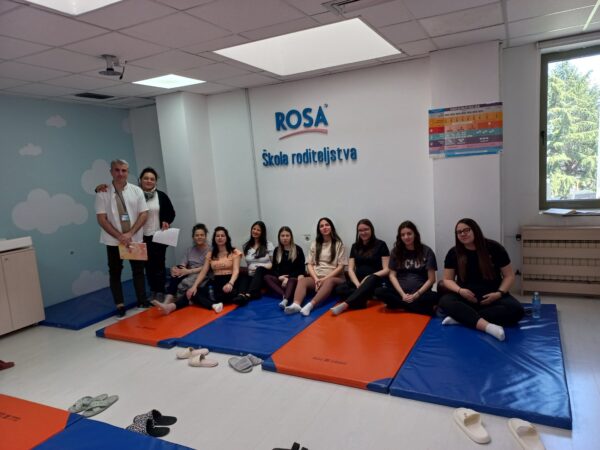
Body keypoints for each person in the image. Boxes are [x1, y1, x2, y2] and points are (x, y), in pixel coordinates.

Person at [96, 167, 175, 303]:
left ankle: (160, 291)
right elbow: (114, 196)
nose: (149, 181)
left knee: (159, 265)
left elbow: (171, 212)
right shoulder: (131, 194)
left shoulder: (161, 196)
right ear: (140, 180)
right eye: (146, 178)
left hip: (158, 235)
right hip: (139, 237)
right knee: (146, 266)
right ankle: (152, 290)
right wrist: (100, 188)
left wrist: (166, 220)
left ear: (156, 181)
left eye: (152, 179)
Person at [438, 218, 524, 341]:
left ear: (475, 230)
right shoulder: (453, 252)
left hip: (492, 295)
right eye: (459, 232)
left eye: (466, 230)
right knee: (444, 301)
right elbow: (447, 279)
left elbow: (509, 275)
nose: (463, 234)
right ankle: (488, 327)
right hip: (466, 296)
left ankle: (461, 318)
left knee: (517, 310)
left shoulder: (495, 248)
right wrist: (460, 291)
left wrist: (499, 293)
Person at [95, 159, 148, 317]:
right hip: (113, 241)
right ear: (111, 172)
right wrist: (119, 236)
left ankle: (142, 300)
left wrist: (130, 234)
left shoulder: (136, 191)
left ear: (128, 172)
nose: (120, 173)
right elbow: (102, 219)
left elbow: (144, 214)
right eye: (117, 170)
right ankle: (120, 305)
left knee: (138, 270)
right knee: (115, 272)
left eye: (123, 170)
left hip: (134, 238)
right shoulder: (102, 193)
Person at [153, 226, 242, 314]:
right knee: (192, 292)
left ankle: (212, 304)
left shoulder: (234, 252)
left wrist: (230, 283)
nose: (220, 238)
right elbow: (204, 271)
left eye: (222, 236)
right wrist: (194, 286)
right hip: (217, 283)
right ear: (214, 238)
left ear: (227, 238)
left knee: (223, 295)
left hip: (230, 283)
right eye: (217, 236)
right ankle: (170, 307)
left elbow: (236, 271)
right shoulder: (211, 254)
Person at [374, 221, 438, 316]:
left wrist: (416, 295)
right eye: (403, 235)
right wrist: (403, 295)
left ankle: (400, 305)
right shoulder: (396, 251)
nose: (406, 237)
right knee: (379, 291)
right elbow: (392, 276)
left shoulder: (427, 251)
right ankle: (416, 308)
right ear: (400, 237)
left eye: (409, 234)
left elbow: (432, 279)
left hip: (420, 293)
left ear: (415, 234)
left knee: (436, 297)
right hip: (400, 293)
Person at [285, 217, 346, 316]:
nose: (324, 227)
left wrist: (324, 279)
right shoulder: (315, 244)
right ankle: (296, 304)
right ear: (319, 229)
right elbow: (309, 264)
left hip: (335, 278)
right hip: (317, 278)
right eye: (321, 226)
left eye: (327, 225)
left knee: (329, 281)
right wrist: (316, 278)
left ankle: (310, 305)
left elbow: (340, 267)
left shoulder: (339, 244)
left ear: (331, 227)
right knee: (302, 280)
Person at [330, 219, 389, 315]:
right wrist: (357, 284)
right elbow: (350, 269)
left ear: (371, 230)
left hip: (374, 280)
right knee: (339, 289)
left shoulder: (381, 244)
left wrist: (369, 277)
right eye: (360, 230)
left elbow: (386, 269)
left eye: (366, 229)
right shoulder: (355, 246)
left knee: (372, 279)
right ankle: (361, 299)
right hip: (358, 280)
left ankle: (345, 304)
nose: (363, 232)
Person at [162, 223, 210, 304]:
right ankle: (169, 298)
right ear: (193, 237)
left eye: (202, 235)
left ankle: (177, 299)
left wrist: (188, 271)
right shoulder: (189, 250)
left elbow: (207, 267)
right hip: (189, 271)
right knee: (178, 268)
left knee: (185, 277)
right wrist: (175, 269)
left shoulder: (210, 250)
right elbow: (183, 264)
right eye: (197, 235)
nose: (199, 237)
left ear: (205, 236)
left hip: (202, 273)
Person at [264, 226, 306, 308]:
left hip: (293, 279)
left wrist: (288, 278)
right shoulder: (277, 250)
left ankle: (286, 300)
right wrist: (280, 277)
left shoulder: (298, 249)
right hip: (281, 279)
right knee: (267, 277)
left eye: (287, 235)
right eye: (282, 236)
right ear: (279, 237)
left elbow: (301, 269)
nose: (285, 238)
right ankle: (284, 295)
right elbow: (274, 268)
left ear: (291, 237)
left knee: (292, 280)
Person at [234, 221, 274, 305]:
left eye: (258, 230)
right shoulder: (246, 246)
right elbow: (248, 264)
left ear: (262, 232)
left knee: (259, 269)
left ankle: (248, 295)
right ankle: (241, 295)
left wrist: (259, 266)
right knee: (243, 275)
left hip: (264, 272)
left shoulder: (268, 244)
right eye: (254, 229)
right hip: (252, 275)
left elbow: (272, 264)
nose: (255, 231)